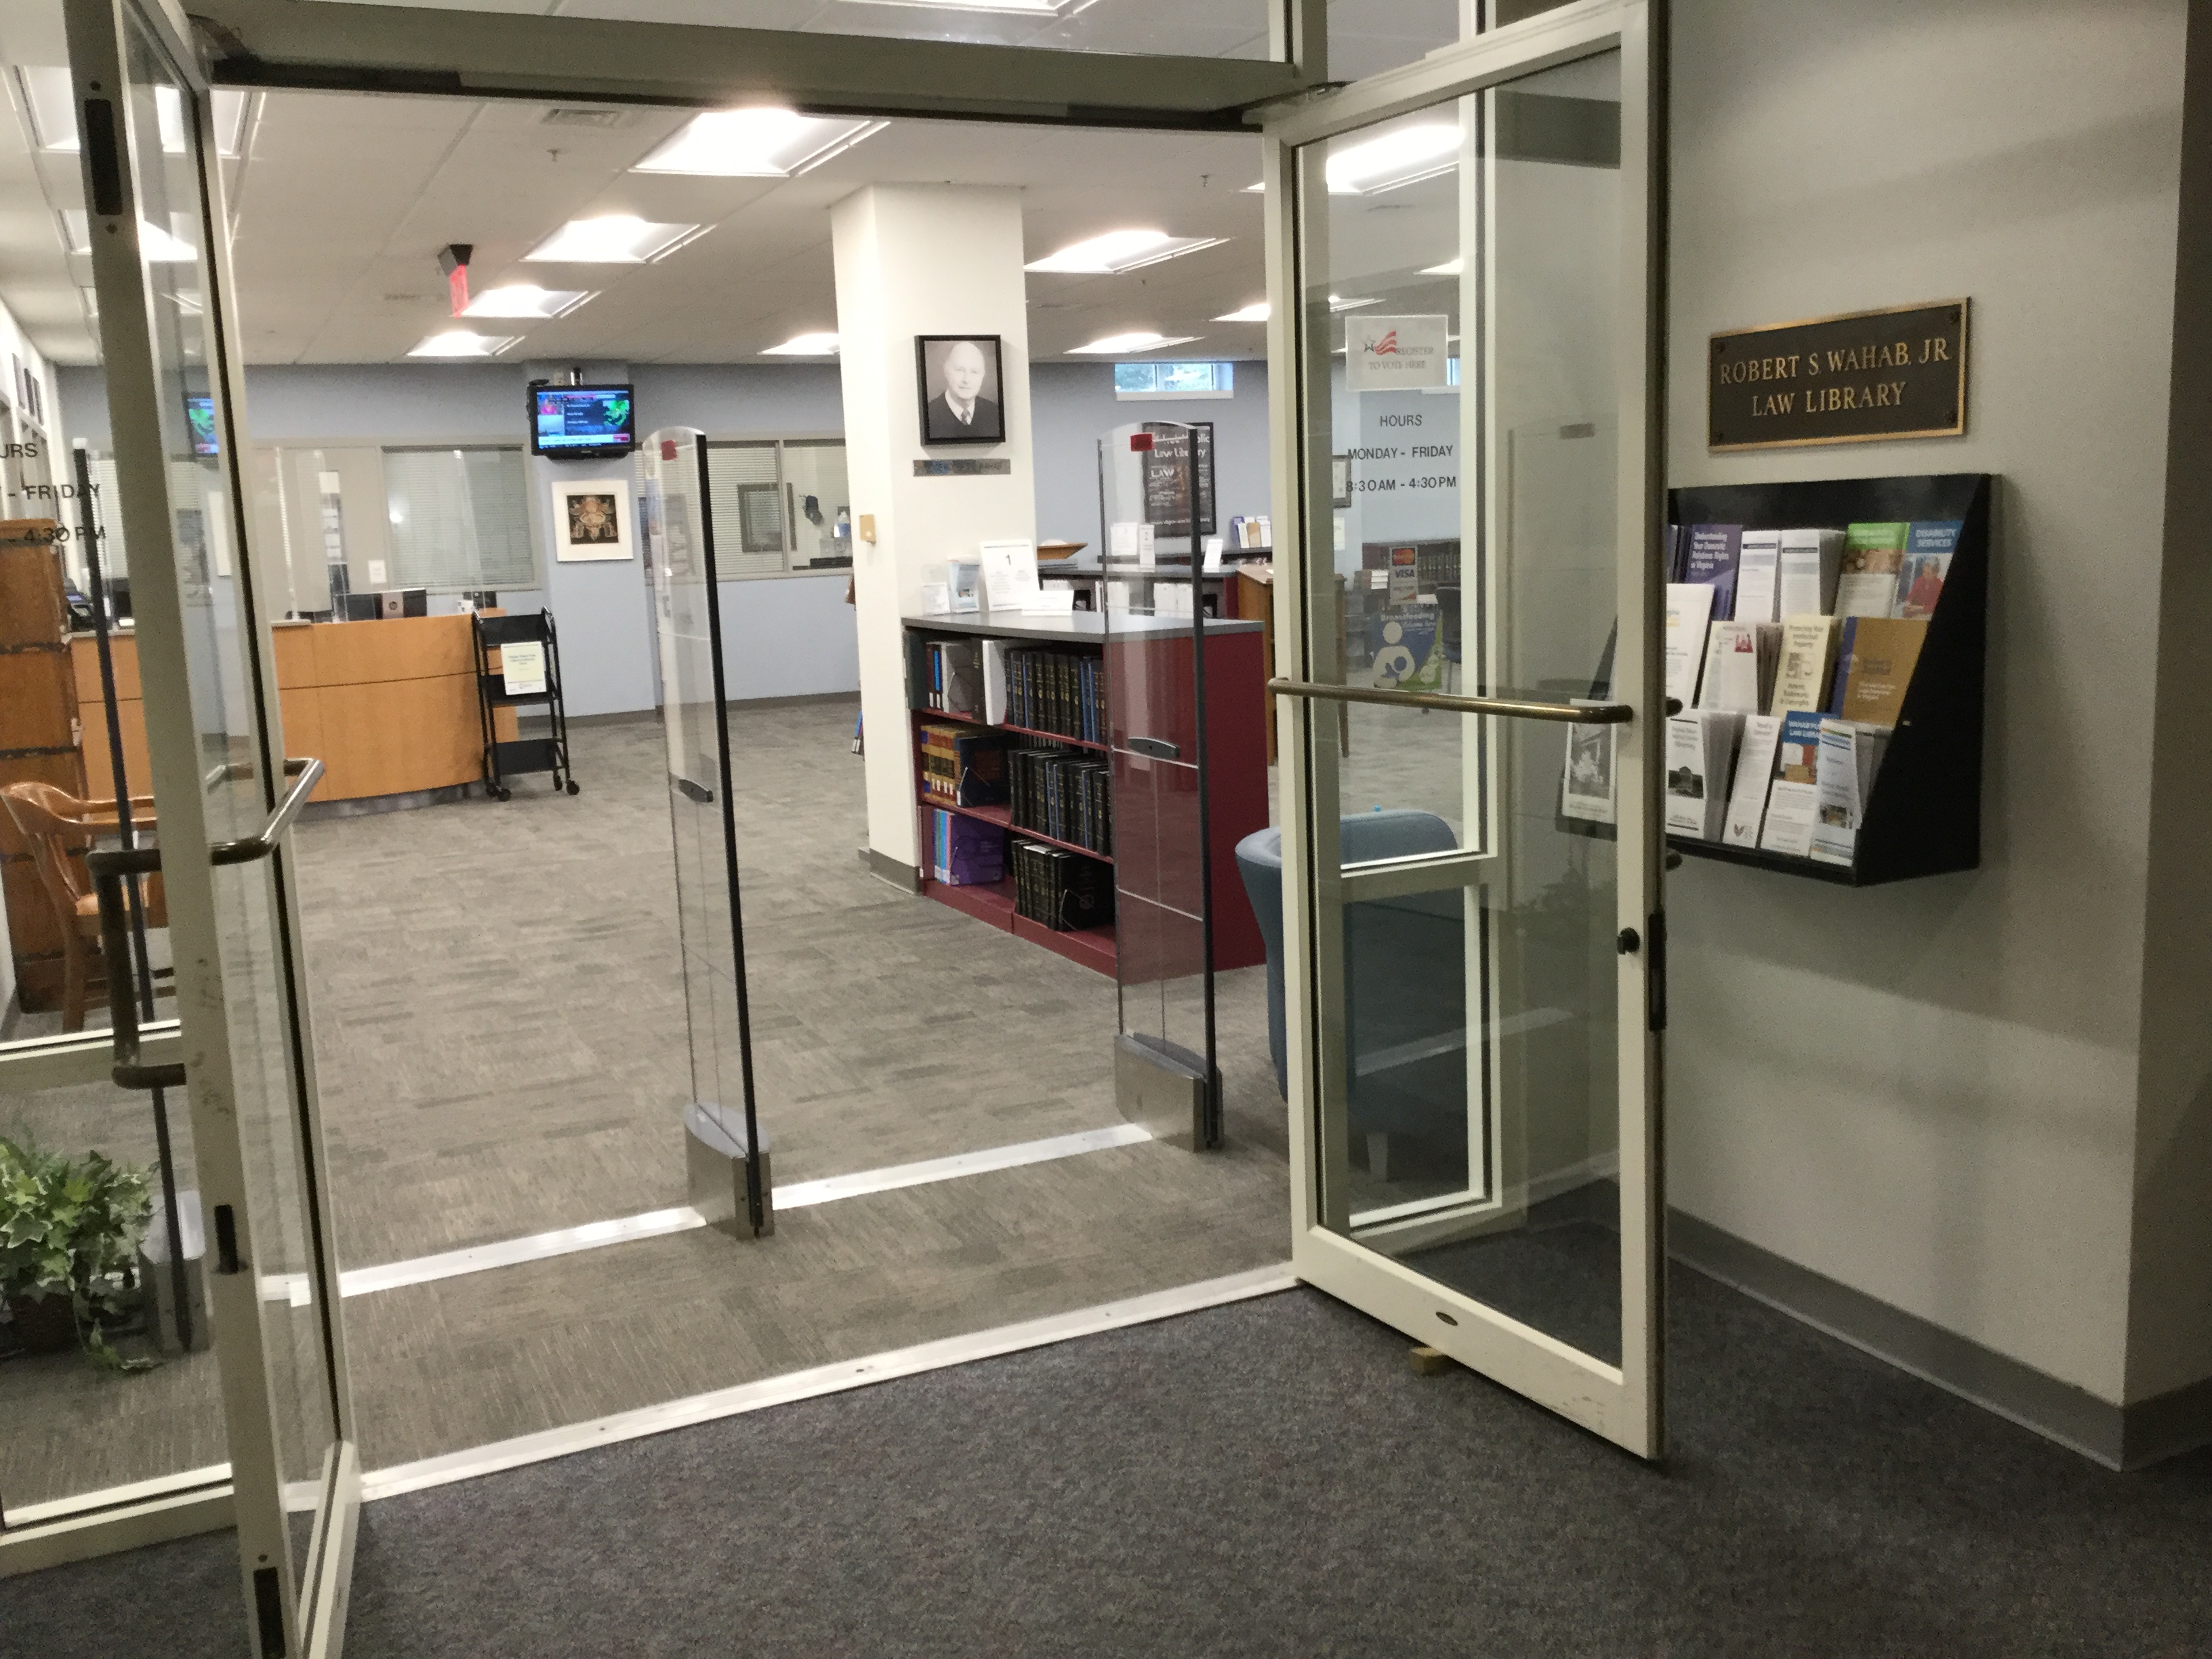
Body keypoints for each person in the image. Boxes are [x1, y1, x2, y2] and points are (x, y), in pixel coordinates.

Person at [923, 340, 1001, 442]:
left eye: (974, 372)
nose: (966, 380)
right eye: (960, 370)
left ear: (983, 375)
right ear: (946, 371)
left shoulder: (995, 414)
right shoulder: (929, 415)